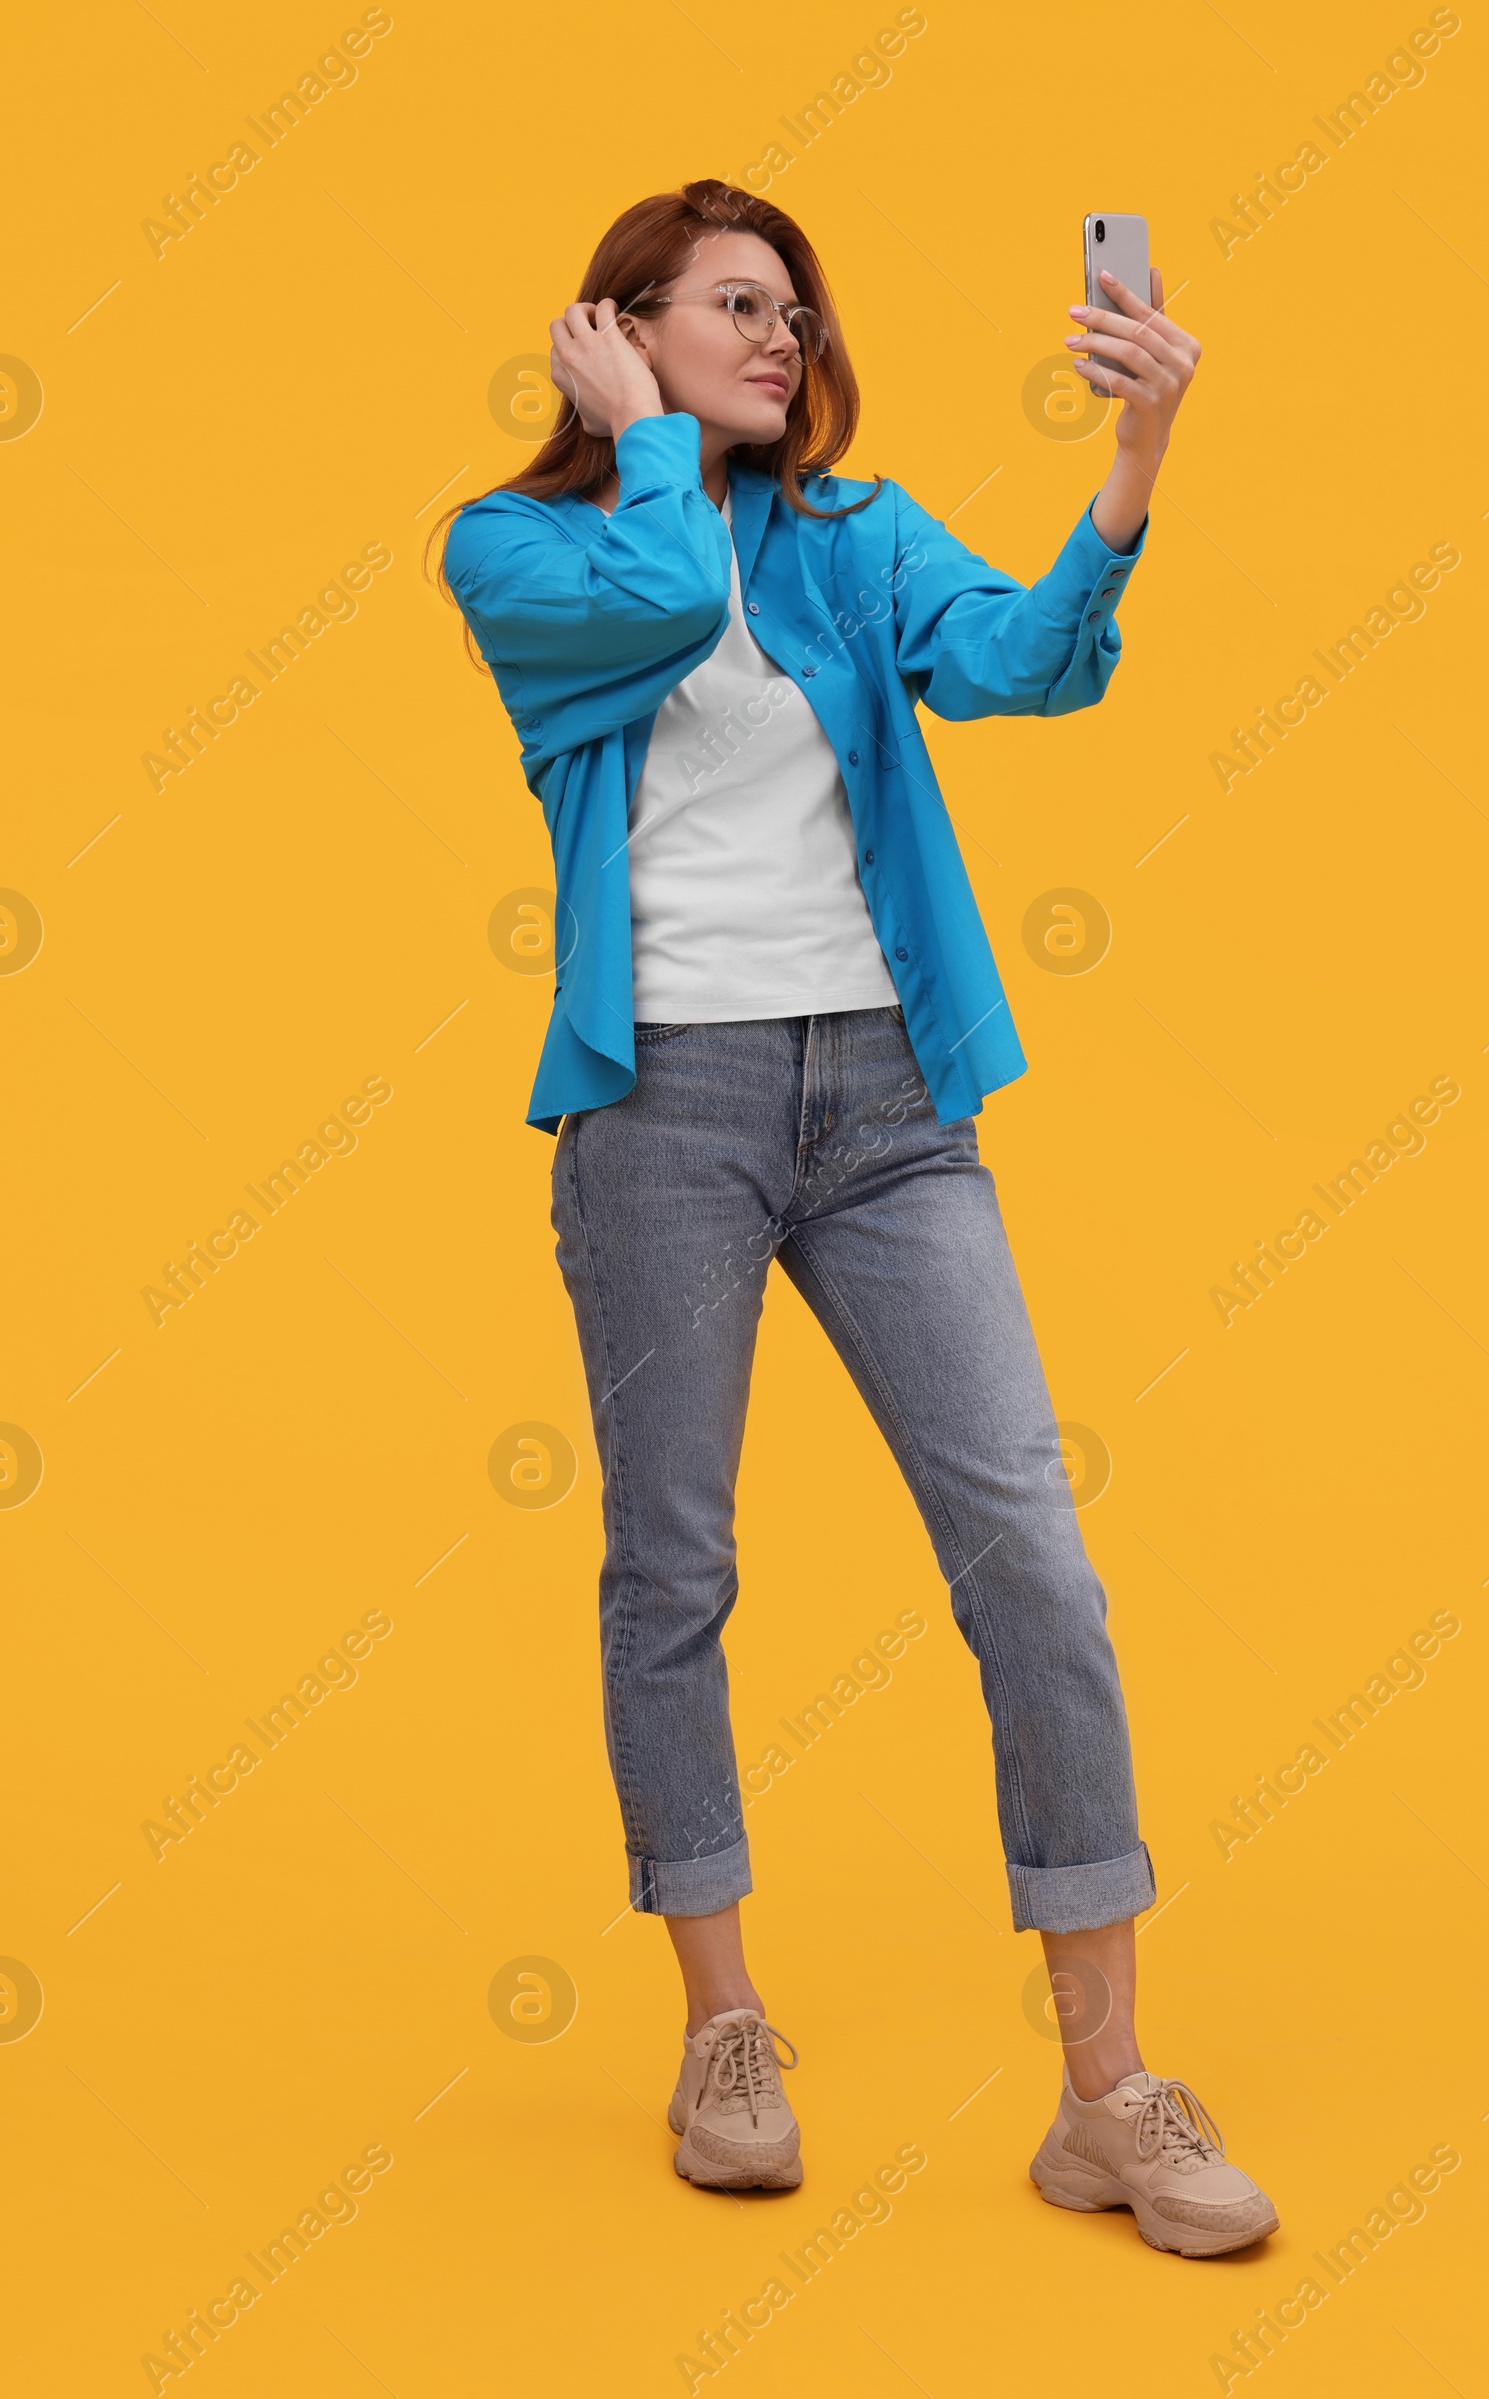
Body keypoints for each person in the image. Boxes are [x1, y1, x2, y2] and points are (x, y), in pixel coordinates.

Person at [436, 178, 1276, 2256]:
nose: (781, 337)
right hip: (666, 1114)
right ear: (615, 327)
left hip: (885, 1101)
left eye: (794, 309)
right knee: (674, 1570)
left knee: (1032, 1560)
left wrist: (1134, 454)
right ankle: (723, 2028)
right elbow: (639, 616)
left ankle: (1106, 2093)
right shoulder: (516, 545)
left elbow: (1022, 669)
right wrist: (642, 437)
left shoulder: (850, 538)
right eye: (734, 304)